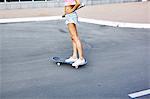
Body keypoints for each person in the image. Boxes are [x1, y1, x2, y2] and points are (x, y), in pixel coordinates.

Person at [63, 0, 86, 67]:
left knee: (75, 37)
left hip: (71, 16)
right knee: (73, 37)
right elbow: (67, 5)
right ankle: (74, 56)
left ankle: (81, 58)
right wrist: (65, 13)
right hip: (68, 16)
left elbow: (78, 3)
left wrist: (71, 10)